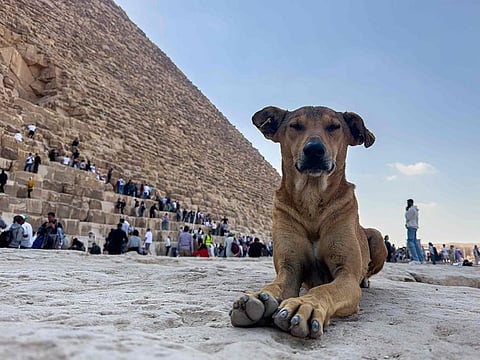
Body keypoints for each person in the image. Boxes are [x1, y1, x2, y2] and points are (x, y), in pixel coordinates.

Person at [405, 199, 424, 264]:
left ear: (410, 203)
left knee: (410, 242)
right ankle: (421, 259)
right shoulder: (415, 210)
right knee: (415, 243)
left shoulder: (411, 210)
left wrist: (407, 210)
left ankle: (416, 259)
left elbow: (407, 217)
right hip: (415, 226)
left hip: (411, 226)